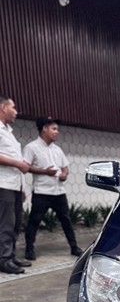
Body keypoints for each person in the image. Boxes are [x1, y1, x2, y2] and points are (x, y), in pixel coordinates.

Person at [23, 117, 82, 260]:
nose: (57, 132)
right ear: (44, 128)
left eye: (57, 129)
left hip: (59, 192)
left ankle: (74, 247)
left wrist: (64, 175)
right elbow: (26, 167)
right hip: (42, 192)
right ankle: (29, 249)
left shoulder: (57, 149)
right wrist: (45, 172)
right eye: (54, 129)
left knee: (66, 220)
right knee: (34, 221)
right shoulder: (31, 147)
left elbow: (65, 167)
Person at [0, 95, 31, 274]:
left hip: (15, 184)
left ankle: (11, 255)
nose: (16, 112)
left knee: (16, 223)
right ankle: (4, 259)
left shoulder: (8, 131)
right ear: (3, 108)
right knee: (6, 223)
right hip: (3, 183)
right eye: (13, 108)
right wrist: (18, 163)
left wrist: (22, 188)